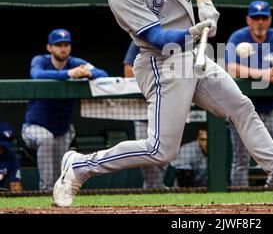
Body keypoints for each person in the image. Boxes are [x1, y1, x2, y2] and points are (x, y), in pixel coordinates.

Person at [53, 0, 273, 207]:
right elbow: (157, 37)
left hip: (191, 53)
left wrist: (205, 2)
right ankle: (80, 165)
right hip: (161, 62)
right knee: (160, 150)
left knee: (242, 108)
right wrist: (193, 31)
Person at [22, 29, 108, 191]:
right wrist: (69, 73)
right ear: (49, 47)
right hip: (34, 128)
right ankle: (45, 191)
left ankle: (57, 197)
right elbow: (37, 74)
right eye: (58, 45)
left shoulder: (76, 62)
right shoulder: (40, 59)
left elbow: (103, 74)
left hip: (61, 131)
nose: (63, 48)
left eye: (66, 44)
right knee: (46, 139)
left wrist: (88, 73)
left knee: (59, 172)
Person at [225, 0, 273, 187]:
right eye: (256, 18)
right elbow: (230, 67)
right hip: (243, 109)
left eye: (264, 18)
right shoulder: (238, 37)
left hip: (271, 106)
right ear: (248, 20)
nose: (260, 22)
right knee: (241, 158)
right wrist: (262, 74)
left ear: (269, 19)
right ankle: (239, 197)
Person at [123, 41, 167, 188]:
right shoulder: (140, 38)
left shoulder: (174, 40)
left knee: (166, 152)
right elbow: (128, 71)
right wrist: (150, 84)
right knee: (147, 151)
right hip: (143, 108)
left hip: (167, 106)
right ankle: (154, 186)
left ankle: (155, 185)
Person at [0, 122, 23, 193]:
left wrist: (16, 187)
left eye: (4, 147)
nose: (2, 150)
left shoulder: (11, 157)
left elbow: (16, 185)